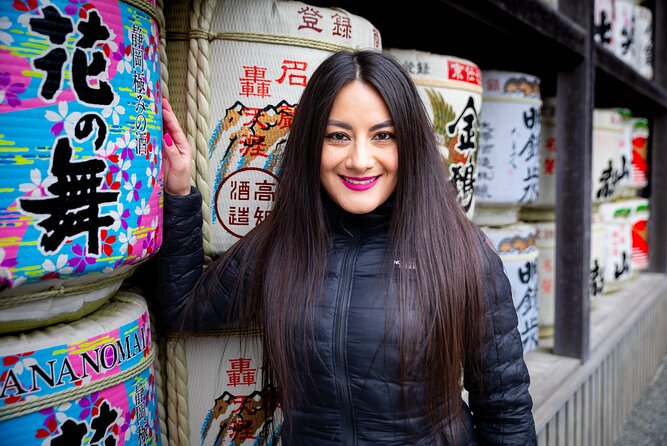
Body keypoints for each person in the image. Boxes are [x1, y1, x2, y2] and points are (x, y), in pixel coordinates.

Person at [157, 49, 537, 445]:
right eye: (338, 136)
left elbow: (504, 408)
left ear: (409, 143)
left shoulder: (458, 249)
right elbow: (182, 307)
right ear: (310, 144)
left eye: (383, 136)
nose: (359, 159)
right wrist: (179, 192)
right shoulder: (283, 241)